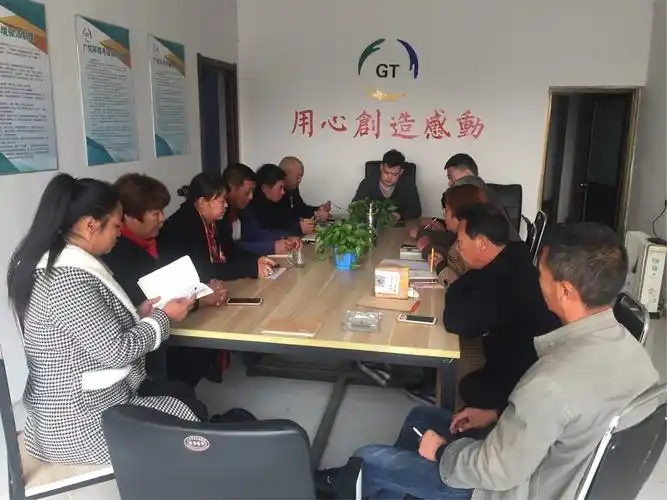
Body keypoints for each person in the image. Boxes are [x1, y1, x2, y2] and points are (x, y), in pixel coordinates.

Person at [319, 222, 659, 500]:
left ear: (566, 290)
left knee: (368, 459)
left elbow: (496, 470)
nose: (537, 280)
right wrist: (498, 415)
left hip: (510, 489)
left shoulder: (550, 383)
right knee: (421, 418)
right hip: (553, 467)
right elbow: (568, 417)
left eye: (541, 273)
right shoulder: (636, 355)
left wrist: (442, 453)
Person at [6, 174, 200, 465]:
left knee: (182, 401)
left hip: (81, 408)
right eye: (116, 225)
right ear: (90, 225)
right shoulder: (66, 281)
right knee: (188, 428)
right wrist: (163, 317)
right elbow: (116, 351)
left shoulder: (62, 268)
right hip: (78, 425)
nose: (119, 233)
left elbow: (91, 330)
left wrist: (141, 313)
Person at [408, 204, 560, 406]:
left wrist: (459, 287)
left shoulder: (502, 280)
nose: (458, 248)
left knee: (466, 384)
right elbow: (464, 288)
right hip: (521, 357)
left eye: (461, 242)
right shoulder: (512, 254)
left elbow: (455, 321)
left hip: (520, 379)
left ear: (482, 243)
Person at [102, 173, 228, 385]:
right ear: (129, 217)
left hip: (165, 325)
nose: (162, 218)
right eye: (155, 213)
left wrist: (203, 288)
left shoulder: (157, 238)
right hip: (142, 346)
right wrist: (201, 300)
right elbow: (149, 301)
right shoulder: (117, 253)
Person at [158, 172, 275, 282]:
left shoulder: (217, 220)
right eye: (221, 201)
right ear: (202, 202)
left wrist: (256, 260)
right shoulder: (181, 227)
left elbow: (230, 250)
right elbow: (204, 270)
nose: (226, 205)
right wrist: (249, 269)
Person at [222, 163, 302, 255]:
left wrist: (286, 237)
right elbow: (229, 248)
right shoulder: (220, 215)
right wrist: (271, 247)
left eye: (252, 191)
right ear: (231, 189)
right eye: (247, 192)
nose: (251, 197)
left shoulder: (243, 211)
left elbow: (256, 234)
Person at [352, 149, 422, 221]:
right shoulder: (367, 183)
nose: (389, 177)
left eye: (394, 174)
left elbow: (416, 211)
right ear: (381, 167)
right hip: (373, 223)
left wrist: (400, 215)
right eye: (386, 173)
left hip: (400, 225)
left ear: (401, 172)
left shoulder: (408, 185)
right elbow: (355, 207)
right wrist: (376, 215)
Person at [278, 156, 331, 234]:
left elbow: (301, 209)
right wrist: (297, 228)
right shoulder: (271, 192)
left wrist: (318, 210)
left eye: (301, 177)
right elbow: (274, 224)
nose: (300, 180)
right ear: (285, 174)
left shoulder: (292, 188)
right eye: (298, 177)